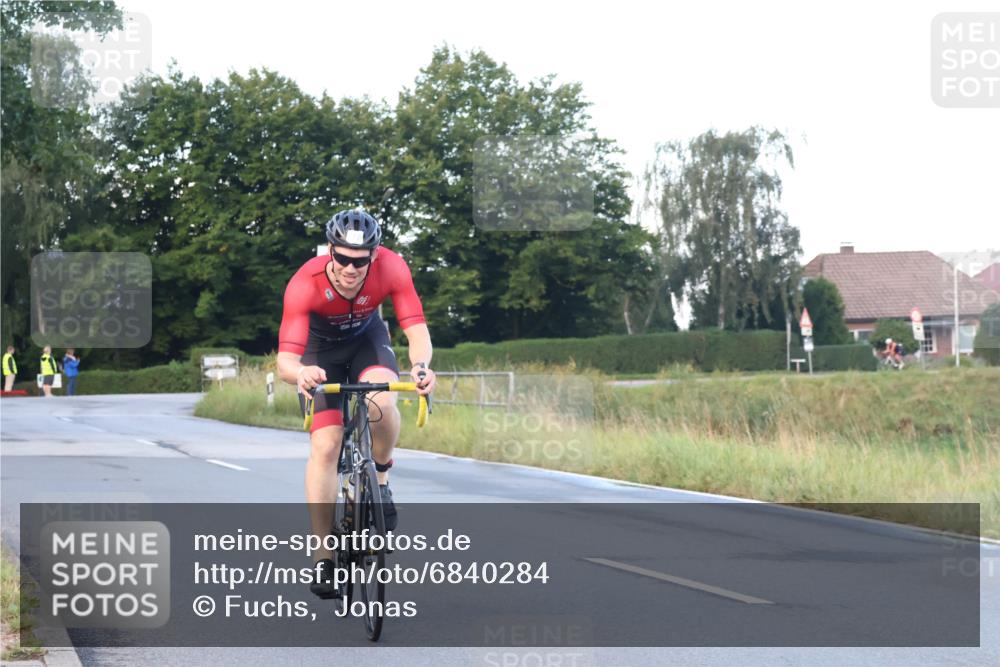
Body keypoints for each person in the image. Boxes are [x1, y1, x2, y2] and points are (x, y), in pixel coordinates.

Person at [276, 209, 436, 599]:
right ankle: (323, 555)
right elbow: (285, 361)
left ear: (374, 256)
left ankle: (380, 480)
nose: (350, 268)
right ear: (330, 250)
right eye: (342, 258)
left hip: (367, 342)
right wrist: (301, 374)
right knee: (326, 444)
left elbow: (415, 327)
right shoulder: (305, 283)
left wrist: (420, 367)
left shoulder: (392, 267)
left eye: (360, 261)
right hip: (319, 355)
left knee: (383, 398)